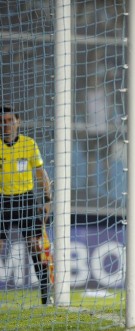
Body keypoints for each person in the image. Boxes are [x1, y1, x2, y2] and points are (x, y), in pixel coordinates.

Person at [0, 106, 54, 305]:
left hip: (26, 200)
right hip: (2, 201)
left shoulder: (29, 144)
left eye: (10, 120)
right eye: (3, 121)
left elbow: (41, 173)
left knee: (34, 246)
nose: (6, 124)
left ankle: (44, 293)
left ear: (18, 122)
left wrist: (48, 200)